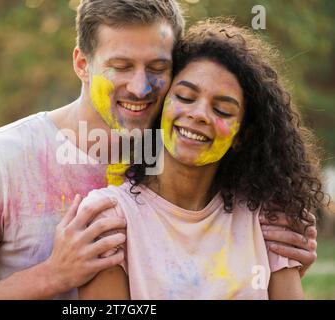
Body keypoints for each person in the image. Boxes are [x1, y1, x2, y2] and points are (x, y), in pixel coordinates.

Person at [0, 1, 316, 300]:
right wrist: (53, 276)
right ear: (82, 64)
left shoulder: (192, 162)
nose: (141, 88)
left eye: (157, 69)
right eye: (121, 66)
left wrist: (277, 259)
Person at [79, 19, 326, 299]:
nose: (198, 114)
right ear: (161, 106)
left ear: (241, 135)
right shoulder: (110, 219)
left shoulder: (266, 217)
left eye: (222, 110)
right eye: (185, 97)